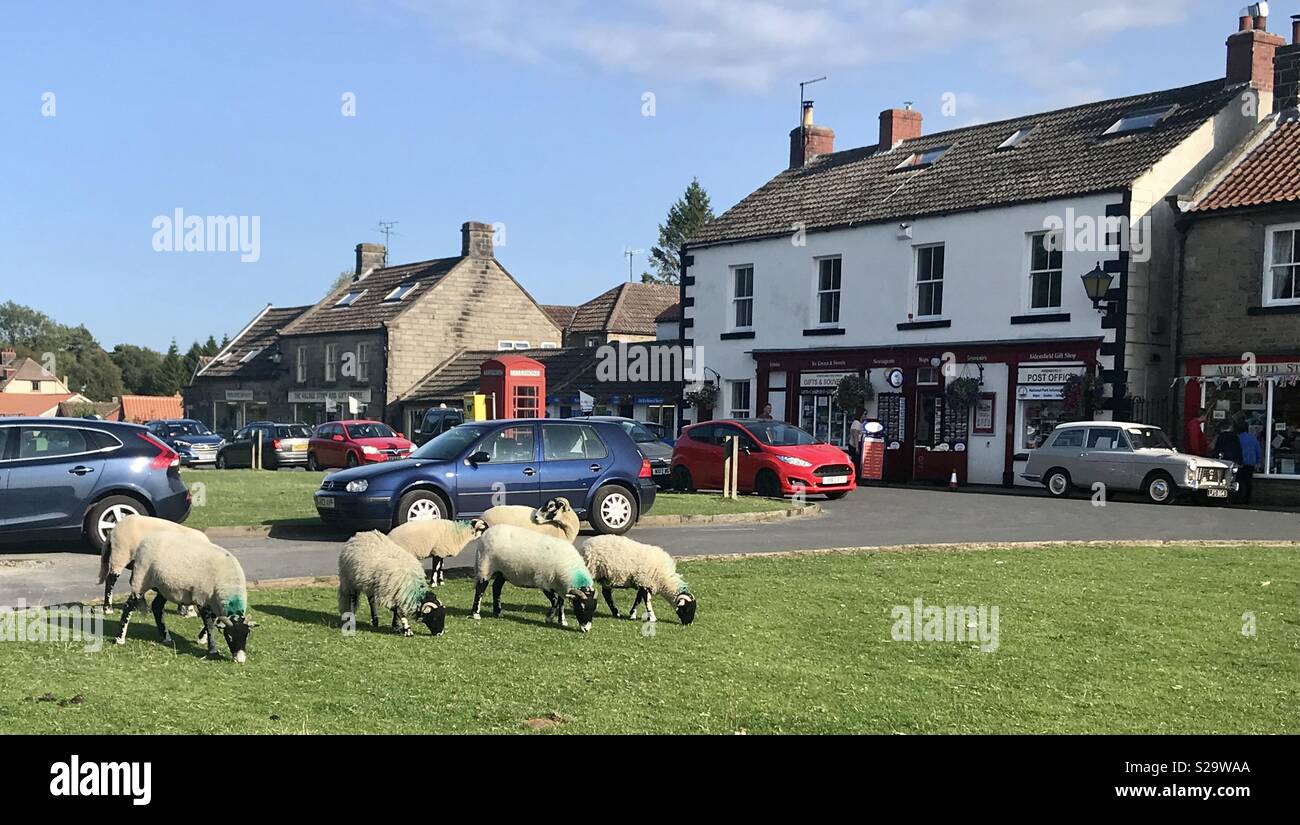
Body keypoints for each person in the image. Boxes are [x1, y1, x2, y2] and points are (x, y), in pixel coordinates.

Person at [1237, 421, 1262, 505]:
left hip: (1240, 463)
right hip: (1250, 463)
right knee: (1248, 482)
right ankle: (1248, 498)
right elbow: (1258, 451)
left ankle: (1239, 497)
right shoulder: (1253, 439)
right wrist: (1258, 462)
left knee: (1239, 481)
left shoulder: (1237, 438)